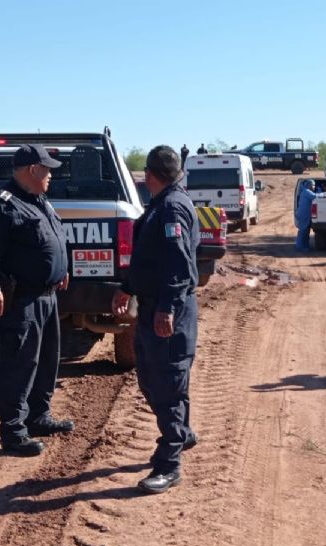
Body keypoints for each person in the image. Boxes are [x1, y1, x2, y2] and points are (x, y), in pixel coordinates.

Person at [0, 144, 73, 456]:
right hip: (21, 300)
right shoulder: (0, 203)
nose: (51, 176)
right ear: (32, 170)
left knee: (46, 361)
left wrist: (62, 268)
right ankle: (14, 431)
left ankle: (38, 416)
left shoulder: (38, 200)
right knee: (19, 364)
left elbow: (52, 237)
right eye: (47, 170)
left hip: (47, 296)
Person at [112, 145, 200, 494]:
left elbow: (179, 267)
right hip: (153, 305)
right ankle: (184, 433)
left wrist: (167, 308)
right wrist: (127, 287)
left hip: (169, 310)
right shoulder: (160, 205)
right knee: (154, 380)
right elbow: (150, 259)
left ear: (150, 175)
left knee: (167, 383)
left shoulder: (172, 208)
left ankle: (169, 462)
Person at [295, 179, 317, 252]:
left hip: (304, 214)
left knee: (306, 232)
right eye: (313, 185)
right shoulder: (307, 192)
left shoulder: (305, 191)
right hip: (303, 214)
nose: (314, 187)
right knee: (303, 231)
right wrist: (324, 193)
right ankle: (299, 247)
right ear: (309, 185)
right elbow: (315, 196)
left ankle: (305, 246)